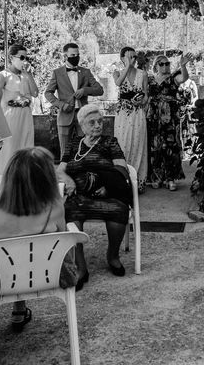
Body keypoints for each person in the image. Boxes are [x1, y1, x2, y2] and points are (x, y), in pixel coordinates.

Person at [0, 147, 76, 332]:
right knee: (29, 252)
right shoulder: (54, 207)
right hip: (48, 275)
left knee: (12, 256)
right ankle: (19, 308)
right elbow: (63, 245)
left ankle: (17, 309)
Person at [57, 104, 132, 280]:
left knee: (118, 210)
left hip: (107, 194)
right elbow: (60, 170)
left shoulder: (109, 142)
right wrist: (68, 180)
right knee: (69, 212)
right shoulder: (74, 143)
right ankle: (80, 267)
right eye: (92, 123)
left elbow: (121, 168)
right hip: (80, 196)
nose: (98, 125)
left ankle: (113, 256)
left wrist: (108, 186)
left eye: (100, 121)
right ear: (82, 125)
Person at [44, 42, 104, 159]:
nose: (76, 57)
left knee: (85, 149)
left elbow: (99, 90)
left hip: (84, 116)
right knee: (65, 151)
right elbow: (48, 93)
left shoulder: (85, 72)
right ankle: (64, 174)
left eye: (77, 55)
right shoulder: (57, 73)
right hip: (65, 115)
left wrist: (85, 90)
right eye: (72, 55)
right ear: (65, 56)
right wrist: (61, 105)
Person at [0, 45, 39, 175]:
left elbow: (35, 93)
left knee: (26, 147)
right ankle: (5, 178)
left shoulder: (26, 75)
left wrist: (29, 74)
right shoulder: (4, 75)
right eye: (21, 57)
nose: (24, 60)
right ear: (12, 57)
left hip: (26, 116)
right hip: (10, 117)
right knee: (10, 148)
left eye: (26, 57)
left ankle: (24, 178)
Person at [147, 54, 191, 191]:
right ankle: (157, 177)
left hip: (170, 116)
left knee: (170, 146)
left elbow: (184, 78)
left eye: (167, 63)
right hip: (154, 116)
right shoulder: (150, 80)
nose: (165, 66)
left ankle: (170, 178)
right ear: (156, 66)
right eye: (162, 64)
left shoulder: (173, 78)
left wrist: (183, 66)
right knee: (155, 146)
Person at [113, 46, 148, 193]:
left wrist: (142, 101)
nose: (133, 59)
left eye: (134, 57)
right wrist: (127, 66)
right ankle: (123, 179)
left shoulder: (143, 74)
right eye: (129, 57)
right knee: (123, 143)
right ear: (122, 58)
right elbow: (118, 83)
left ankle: (138, 181)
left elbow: (146, 94)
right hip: (122, 114)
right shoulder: (117, 73)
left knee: (138, 143)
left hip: (138, 113)